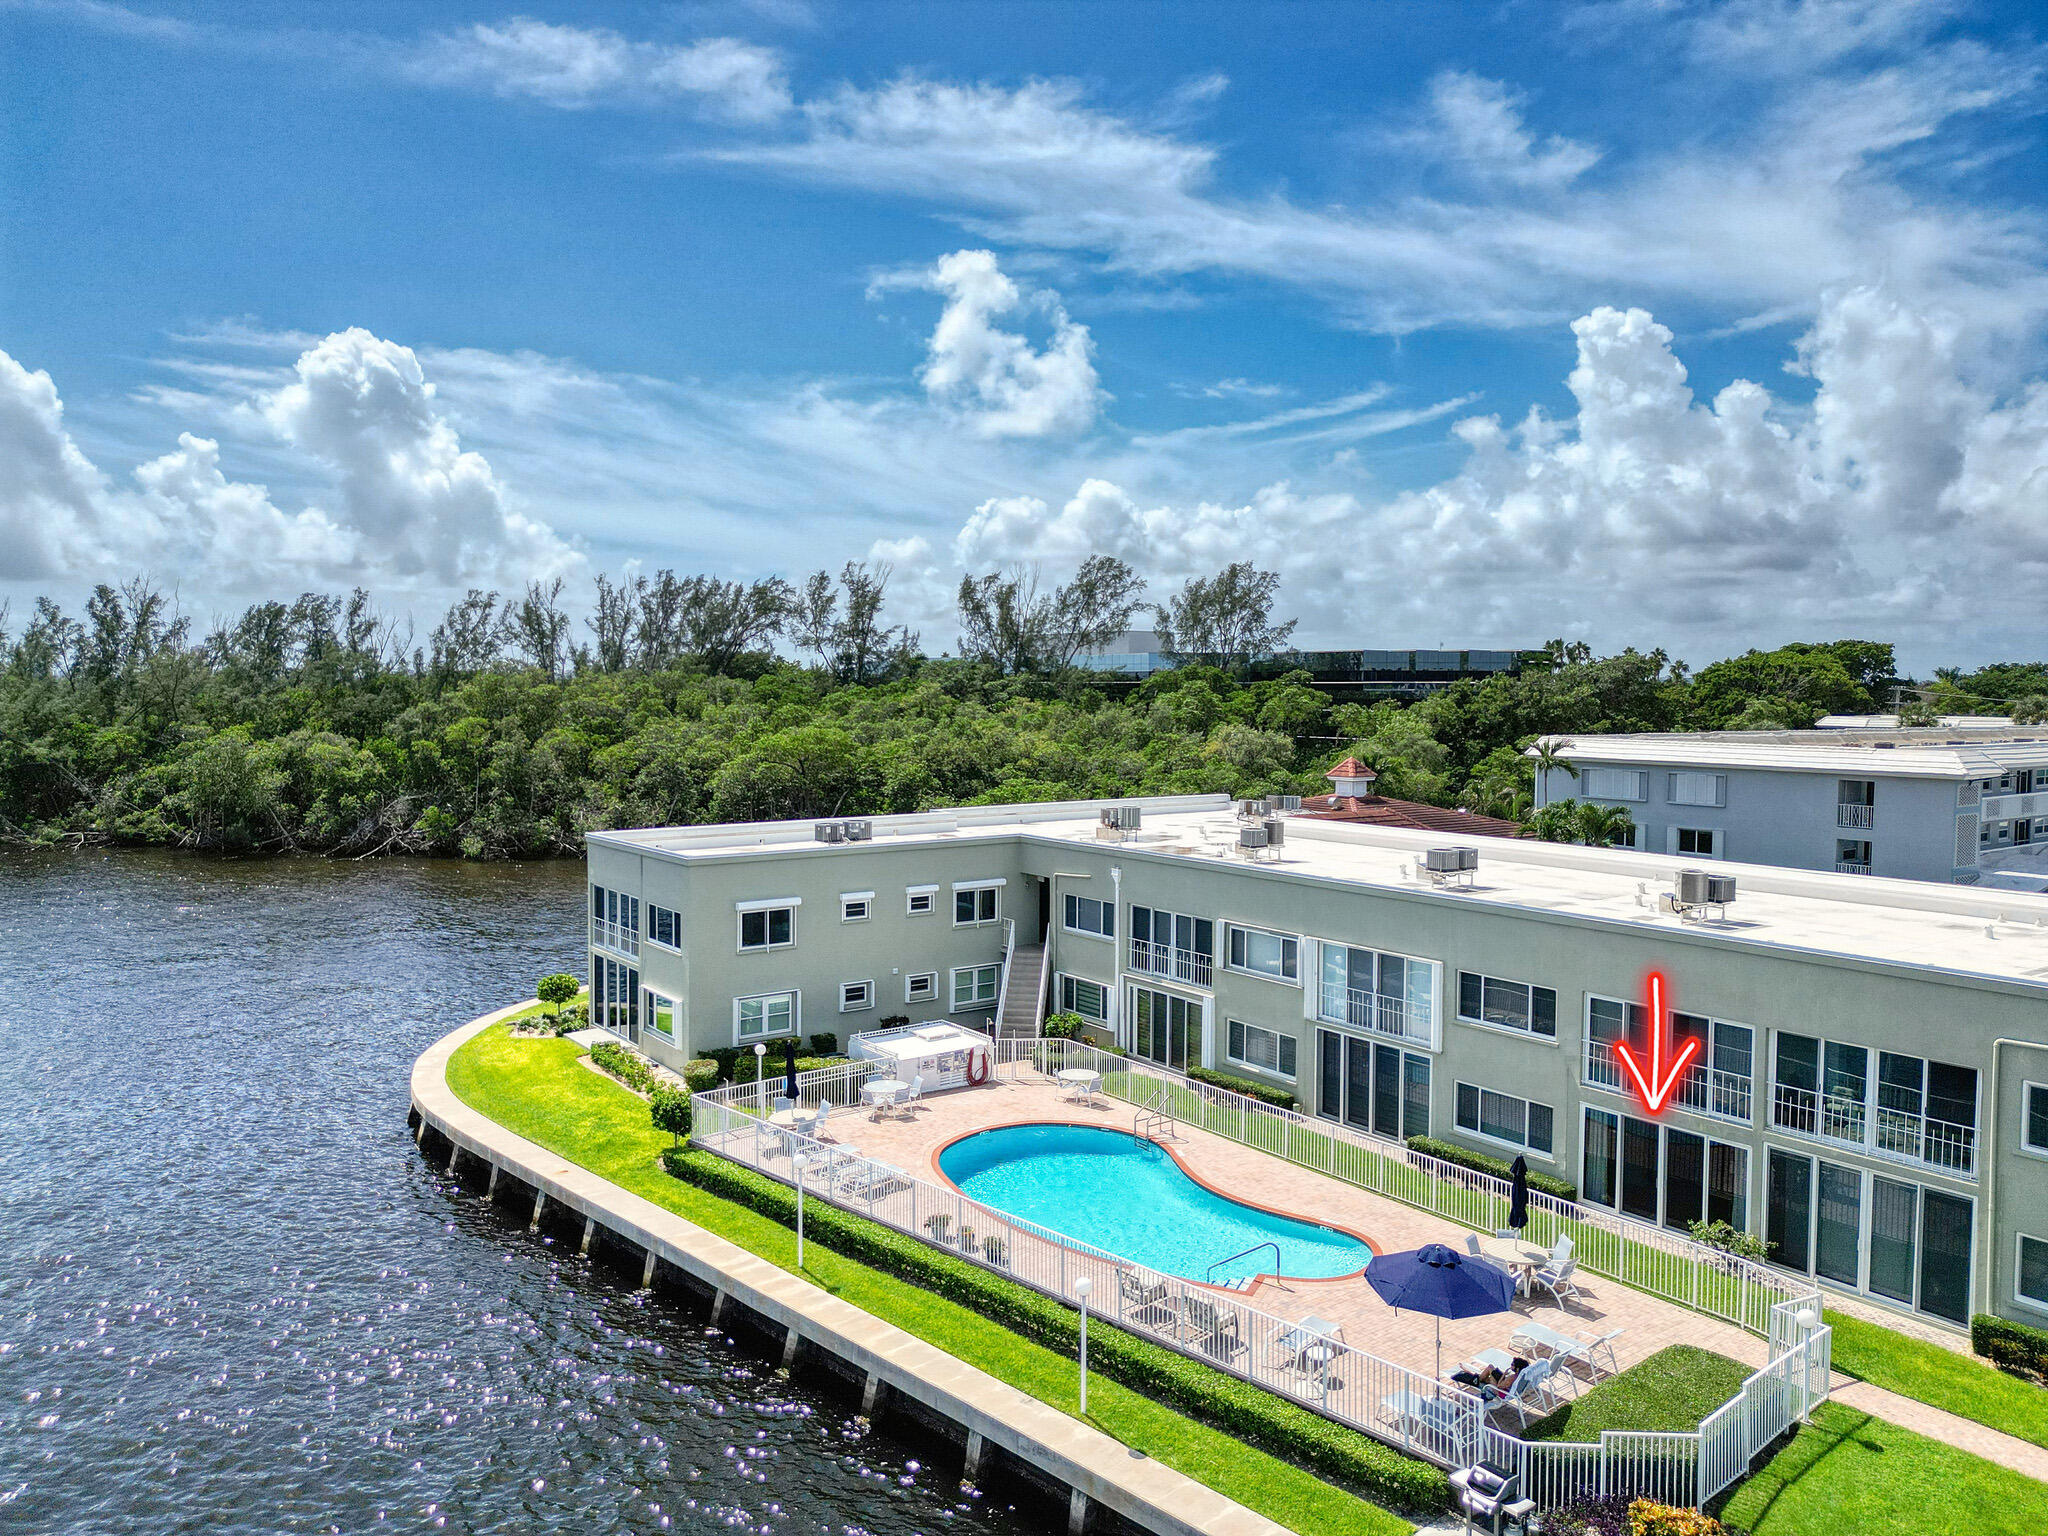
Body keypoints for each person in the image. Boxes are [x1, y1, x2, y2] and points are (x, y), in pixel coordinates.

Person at [1449, 1356, 1529, 1396]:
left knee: (1490, 1374)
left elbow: (1499, 1386)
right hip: (1505, 1387)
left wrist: (1504, 1374)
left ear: (1517, 1369)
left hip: (1499, 1392)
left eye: (1512, 1365)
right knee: (1490, 1368)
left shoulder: (1512, 1378)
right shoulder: (1520, 1375)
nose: (1511, 1366)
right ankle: (1476, 1377)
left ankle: (1475, 1379)